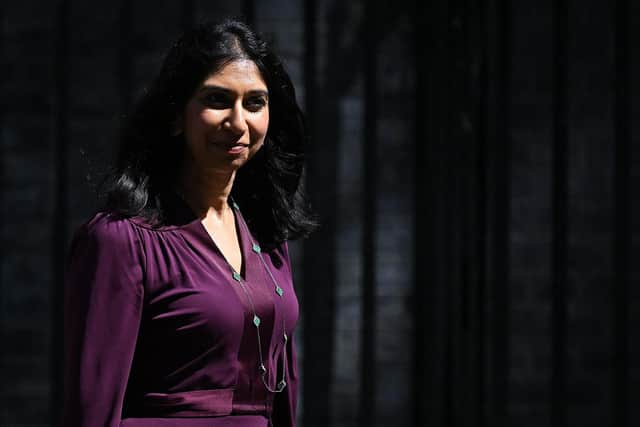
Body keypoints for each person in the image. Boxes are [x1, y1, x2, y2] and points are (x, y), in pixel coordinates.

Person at [62, 19, 317, 427]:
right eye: (218, 100)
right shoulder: (121, 240)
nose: (238, 123)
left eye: (255, 103)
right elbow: (91, 408)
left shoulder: (265, 236)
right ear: (176, 115)